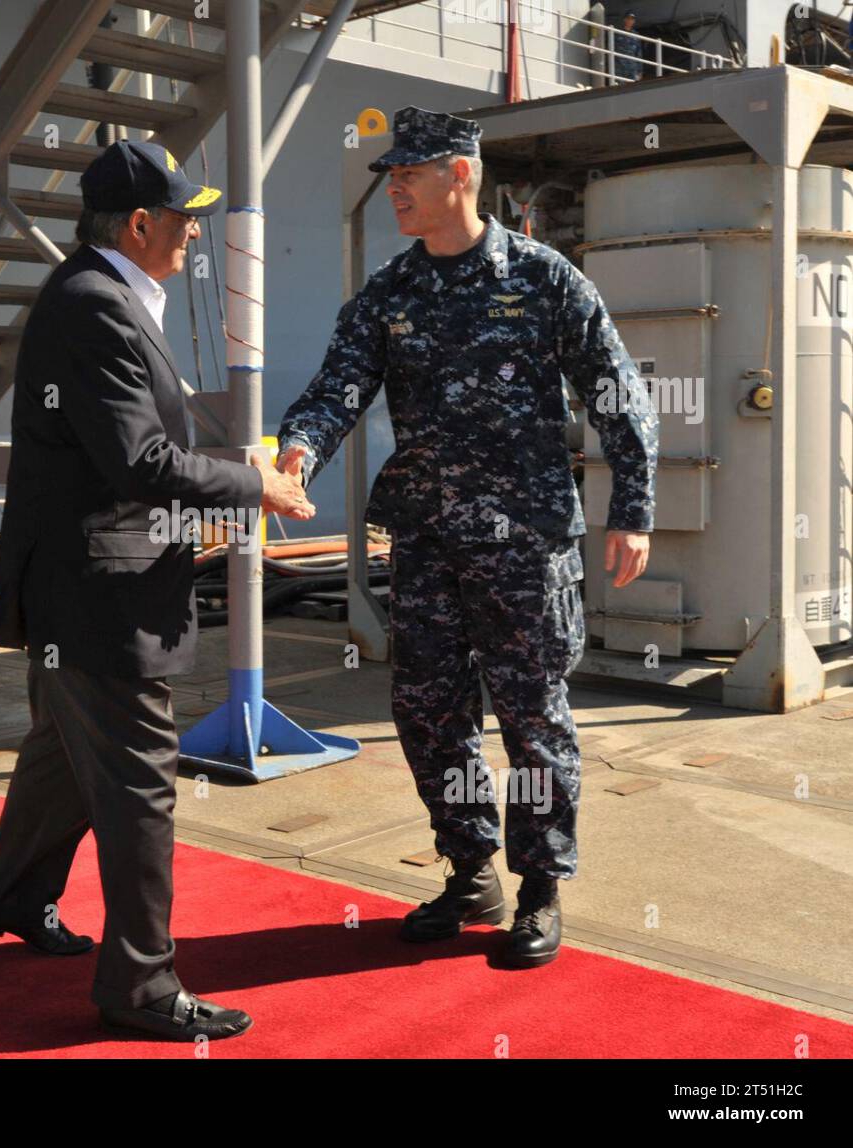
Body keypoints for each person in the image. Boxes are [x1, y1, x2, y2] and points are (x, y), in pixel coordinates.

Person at [276, 106, 658, 968]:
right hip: (428, 543)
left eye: (410, 173)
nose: (395, 188)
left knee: (533, 721)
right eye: (391, 175)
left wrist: (631, 510)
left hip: (527, 546)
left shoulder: (545, 279)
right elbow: (340, 384)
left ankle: (540, 888)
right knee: (426, 713)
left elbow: (616, 393)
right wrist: (299, 447)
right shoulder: (391, 290)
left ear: (460, 174)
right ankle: (471, 868)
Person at [0, 140, 312, 1040]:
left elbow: (117, 457)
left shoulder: (100, 294)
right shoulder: (97, 306)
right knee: (138, 786)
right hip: (100, 599)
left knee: (60, 761)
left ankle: (13, 896)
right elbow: (141, 460)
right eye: (184, 215)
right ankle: (142, 987)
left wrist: (213, 493)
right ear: (138, 224)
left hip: (75, 588)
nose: (195, 230)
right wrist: (257, 486)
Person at [613, 11, 644, 82]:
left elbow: (638, 53)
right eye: (628, 18)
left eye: (632, 19)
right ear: (624, 19)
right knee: (620, 87)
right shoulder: (617, 33)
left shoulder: (636, 35)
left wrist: (640, 70)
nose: (630, 20)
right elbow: (612, 49)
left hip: (632, 66)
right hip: (620, 66)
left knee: (633, 87)